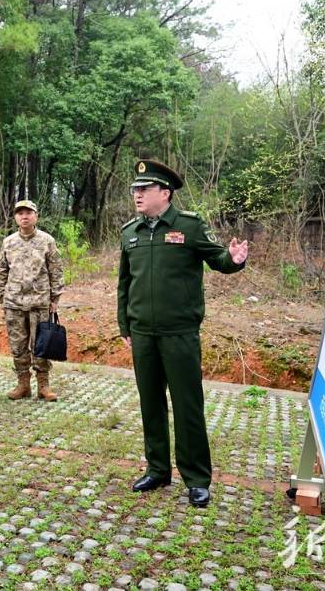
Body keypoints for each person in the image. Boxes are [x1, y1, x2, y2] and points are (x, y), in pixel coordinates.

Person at [117, 159, 248, 508]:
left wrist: (233, 259)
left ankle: (196, 478)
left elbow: (218, 257)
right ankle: (157, 470)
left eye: (144, 189)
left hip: (179, 333)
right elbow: (124, 284)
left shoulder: (189, 226)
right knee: (151, 403)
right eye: (135, 190)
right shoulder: (131, 232)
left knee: (187, 405)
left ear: (165, 193)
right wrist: (124, 324)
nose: (137, 195)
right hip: (143, 333)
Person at [0, 200, 64, 402]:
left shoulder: (47, 241)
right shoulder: (9, 242)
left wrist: (55, 298)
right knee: (18, 346)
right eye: (20, 213)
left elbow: (56, 270)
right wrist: (3, 296)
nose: (24, 216)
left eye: (28, 213)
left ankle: (43, 386)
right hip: (14, 303)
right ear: (15, 217)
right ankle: (23, 384)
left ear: (36, 216)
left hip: (40, 302)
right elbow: (1, 271)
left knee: (41, 345)